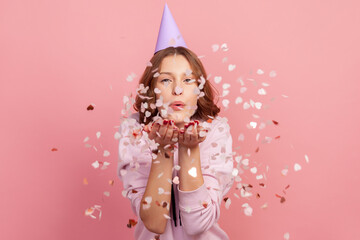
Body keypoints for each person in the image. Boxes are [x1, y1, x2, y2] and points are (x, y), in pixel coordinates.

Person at [117, 4, 234, 240]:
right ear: (152, 88)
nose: (178, 89)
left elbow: (197, 224)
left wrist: (190, 150)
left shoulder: (215, 131)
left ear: (199, 89)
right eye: (166, 81)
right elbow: (154, 223)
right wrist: (163, 150)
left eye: (188, 80)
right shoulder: (134, 131)